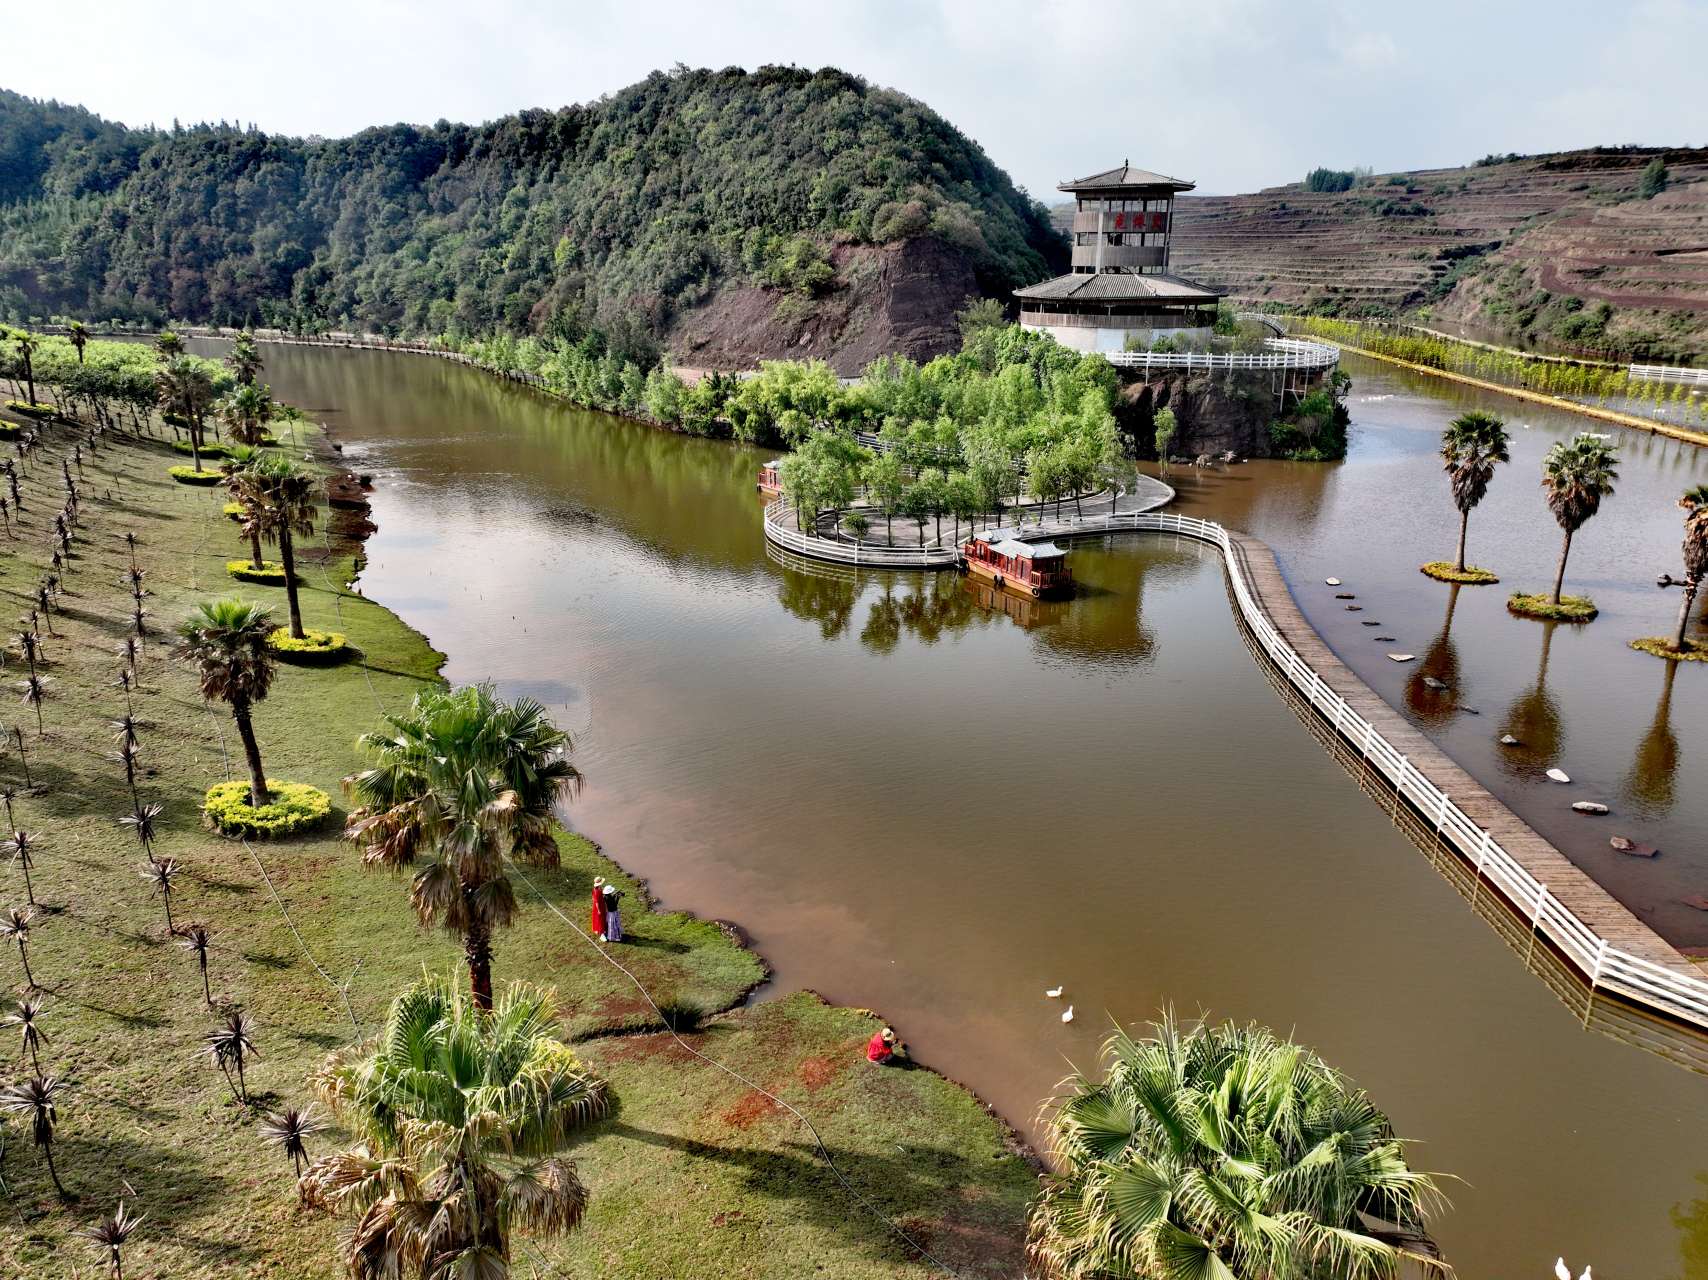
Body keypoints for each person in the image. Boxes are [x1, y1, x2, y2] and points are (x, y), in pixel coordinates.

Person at [591, 876, 607, 941]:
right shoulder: (596, 891)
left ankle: (597, 929)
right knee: (601, 918)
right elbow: (597, 901)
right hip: (599, 906)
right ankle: (601, 933)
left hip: (601, 905)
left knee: (598, 918)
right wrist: (599, 910)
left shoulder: (599, 889)